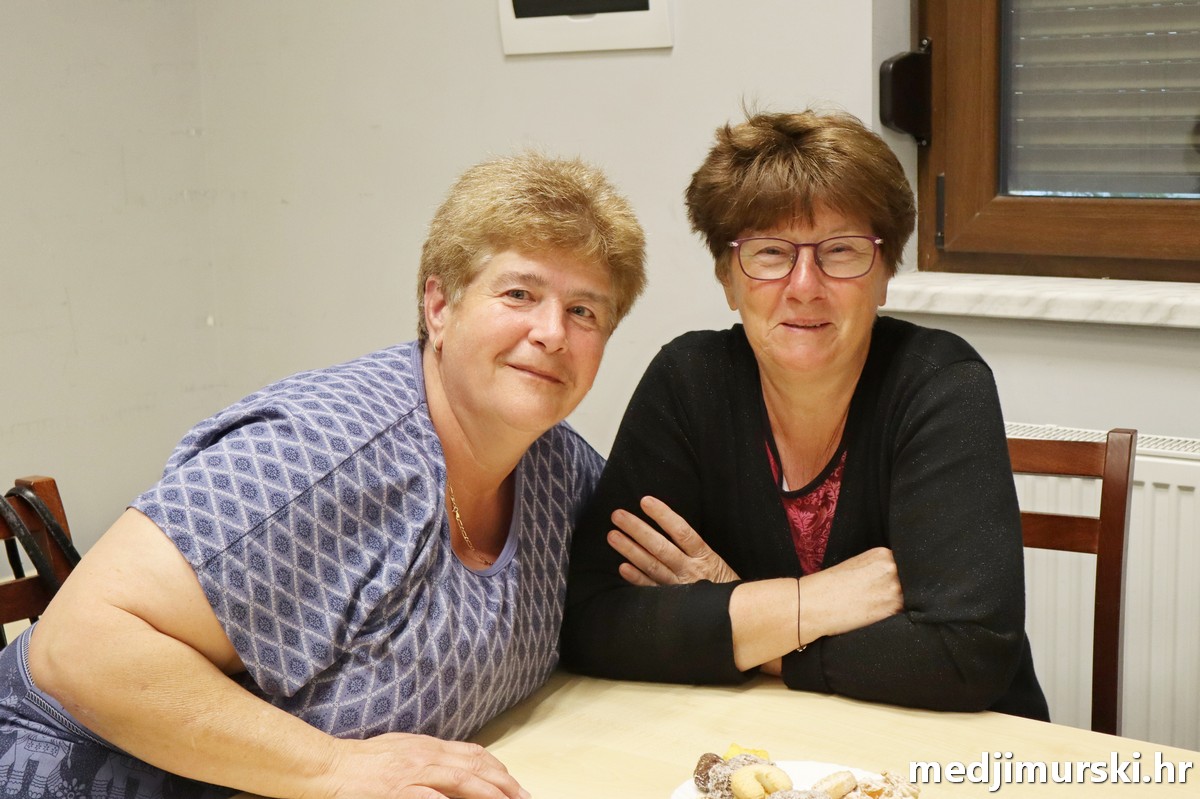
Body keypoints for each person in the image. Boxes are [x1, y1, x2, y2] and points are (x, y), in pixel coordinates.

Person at [0, 151, 646, 799]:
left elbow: (631, 599)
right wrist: (335, 768)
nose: (552, 332)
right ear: (439, 306)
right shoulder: (320, 451)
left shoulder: (559, 468)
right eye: (519, 294)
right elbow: (78, 646)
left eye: (584, 312)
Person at [560, 109, 1049, 721]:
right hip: (771, 739)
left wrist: (736, 614)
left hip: (960, 748)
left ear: (885, 274)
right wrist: (804, 606)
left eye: (840, 251)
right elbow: (593, 619)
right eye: (770, 253)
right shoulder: (689, 381)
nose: (804, 285)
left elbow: (966, 656)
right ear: (727, 279)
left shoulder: (940, 383)